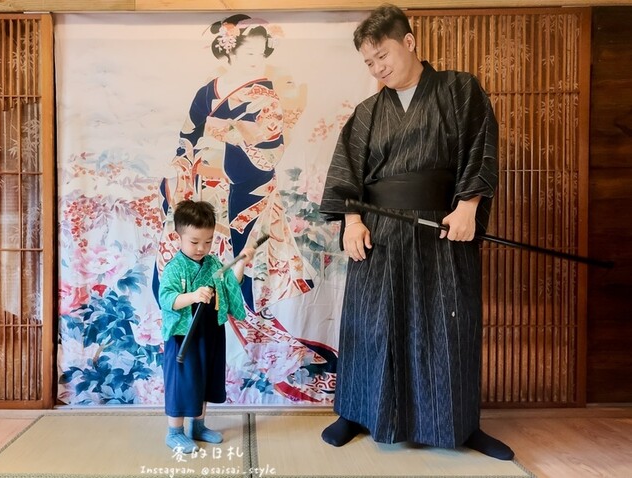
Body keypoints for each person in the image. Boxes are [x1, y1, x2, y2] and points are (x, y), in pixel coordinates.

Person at [318, 4, 514, 460]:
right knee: (372, 325)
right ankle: (357, 412)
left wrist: (468, 206)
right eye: (368, 62)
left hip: (442, 230)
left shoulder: (460, 90)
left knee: (448, 325)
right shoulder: (367, 112)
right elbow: (347, 173)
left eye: (382, 55)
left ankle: (460, 424)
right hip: (380, 235)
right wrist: (351, 221)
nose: (377, 67)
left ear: (409, 42)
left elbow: (480, 147)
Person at [153, 14, 329, 403]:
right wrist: (184, 165)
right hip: (204, 188)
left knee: (243, 268)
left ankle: (261, 342)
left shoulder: (265, 94)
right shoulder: (207, 91)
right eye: (246, 49)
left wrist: (228, 132)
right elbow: (187, 137)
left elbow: (271, 146)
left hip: (245, 189)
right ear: (228, 49)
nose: (255, 56)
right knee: (194, 261)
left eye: (260, 50)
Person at [159, 200, 254, 453]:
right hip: (184, 335)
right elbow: (166, 298)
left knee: (204, 378)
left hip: (211, 331)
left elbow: (230, 286)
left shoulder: (213, 264)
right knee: (182, 382)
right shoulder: (174, 267)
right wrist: (192, 296)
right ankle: (174, 432)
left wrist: (242, 262)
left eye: (208, 241)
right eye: (194, 242)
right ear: (178, 235)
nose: (202, 248)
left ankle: (198, 426)